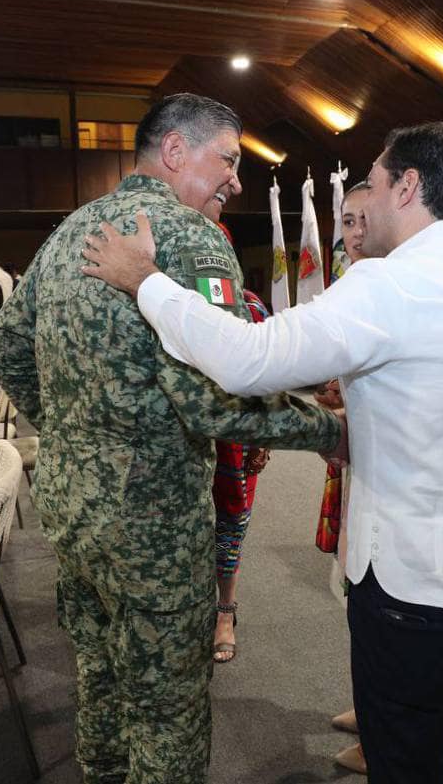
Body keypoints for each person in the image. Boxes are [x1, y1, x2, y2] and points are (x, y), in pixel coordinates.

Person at [82, 121, 443, 784]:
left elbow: (248, 361)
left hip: (420, 589)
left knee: (406, 763)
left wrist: (147, 282)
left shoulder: (388, 284)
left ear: (408, 187)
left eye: (378, 178)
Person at [0, 92, 345, 784]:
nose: (237, 180)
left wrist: (66, 425)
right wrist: (328, 431)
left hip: (70, 506)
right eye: (229, 160)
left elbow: (4, 345)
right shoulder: (188, 235)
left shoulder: (70, 230)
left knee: (100, 674)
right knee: (168, 709)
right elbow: (213, 399)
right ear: (175, 150)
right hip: (149, 519)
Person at [314, 179, 370, 776]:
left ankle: (383, 731)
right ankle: (370, 704)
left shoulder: (390, 288)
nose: (352, 235)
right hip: (359, 461)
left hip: (388, 474)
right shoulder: (356, 288)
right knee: (355, 589)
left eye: (362, 221)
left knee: (374, 596)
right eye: (345, 224)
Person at [201, 218, 272, 665]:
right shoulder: (163, 305)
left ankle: (225, 611)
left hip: (233, 441)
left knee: (230, 525)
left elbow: (266, 377)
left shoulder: (250, 307)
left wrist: (263, 436)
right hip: (178, 443)